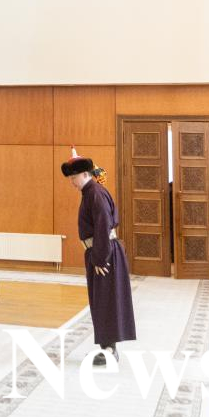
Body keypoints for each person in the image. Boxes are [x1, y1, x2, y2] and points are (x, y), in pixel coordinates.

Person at [62, 152, 135, 364]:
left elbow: (103, 225)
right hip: (101, 251)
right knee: (102, 300)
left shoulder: (95, 193)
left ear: (85, 174)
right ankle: (107, 348)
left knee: (106, 300)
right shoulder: (91, 192)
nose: (72, 182)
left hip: (104, 253)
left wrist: (100, 259)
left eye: (74, 178)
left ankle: (110, 351)